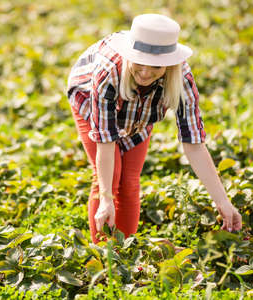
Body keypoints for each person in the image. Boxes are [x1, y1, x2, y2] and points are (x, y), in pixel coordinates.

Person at [66, 14, 242, 243]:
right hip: (90, 99)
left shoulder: (182, 79)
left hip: (140, 113)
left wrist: (223, 202)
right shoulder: (108, 70)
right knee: (109, 180)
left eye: (156, 66)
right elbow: (106, 143)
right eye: (139, 62)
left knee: (129, 182)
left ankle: (125, 252)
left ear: (169, 64)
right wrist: (106, 198)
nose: (146, 72)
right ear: (130, 55)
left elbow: (194, 145)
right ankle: (103, 255)